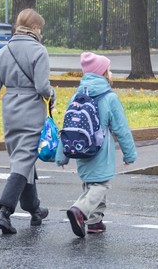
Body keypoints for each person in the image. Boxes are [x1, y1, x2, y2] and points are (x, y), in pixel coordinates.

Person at [0, 8, 56, 235]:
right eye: (40, 29)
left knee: (22, 158)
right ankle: (5, 211)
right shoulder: (39, 51)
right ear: (35, 28)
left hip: (10, 111)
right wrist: (53, 94)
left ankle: (34, 209)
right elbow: (42, 87)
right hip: (31, 112)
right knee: (23, 161)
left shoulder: (3, 52)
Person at [56, 52, 137, 237]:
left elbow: (67, 127)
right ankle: (80, 210)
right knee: (101, 184)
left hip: (80, 147)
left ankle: (94, 221)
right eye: (108, 69)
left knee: (90, 183)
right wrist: (129, 154)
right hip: (101, 150)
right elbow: (121, 129)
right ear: (103, 74)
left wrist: (62, 156)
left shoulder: (76, 96)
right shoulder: (109, 97)